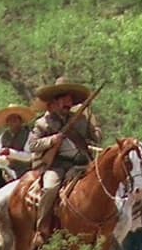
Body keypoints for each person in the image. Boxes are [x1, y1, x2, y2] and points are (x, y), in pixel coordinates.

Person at [27, 78, 100, 241]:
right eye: (64, 99)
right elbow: (33, 145)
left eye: (70, 100)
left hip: (82, 165)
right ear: (56, 101)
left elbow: (96, 138)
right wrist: (52, 140)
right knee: (50, 188)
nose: (68, 103)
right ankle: (41, 228)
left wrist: (95, 128)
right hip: (57, 165)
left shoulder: (81, 119)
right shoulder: (43, 123)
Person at [0, 104, 36, 180]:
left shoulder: (29, 135)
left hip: (27, 172)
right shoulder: (2, 137)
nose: (13, 121)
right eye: (10, 119)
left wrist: (10, 153)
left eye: (15, 119)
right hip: (8, 172)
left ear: (20, 121)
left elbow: (29, 157)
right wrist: (5, 160)